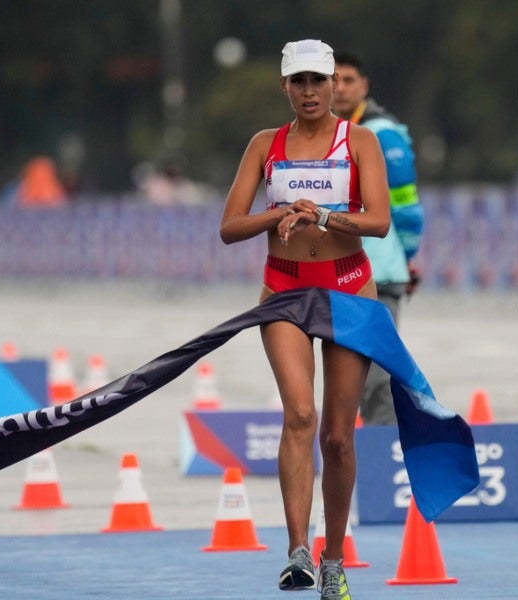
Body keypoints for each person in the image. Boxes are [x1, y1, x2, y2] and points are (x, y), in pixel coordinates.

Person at [219, 39, 390, 600]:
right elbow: (231, 226)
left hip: (347, 289)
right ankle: (298, 552)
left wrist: (326, 216)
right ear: (285, 87)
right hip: (285, 290)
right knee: (299, 414)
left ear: (334, 86)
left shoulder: (359, 141)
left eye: (321, 81)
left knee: (339, 436)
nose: (312, 92)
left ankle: (334, 559)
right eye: (301, 82)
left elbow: (381, 222)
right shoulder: (264, 144)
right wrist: (282, 211)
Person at [332, 52, 424, 425]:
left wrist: (407, 257)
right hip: (334, 270)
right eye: (331, 79)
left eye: (348, 80)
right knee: (347, 379)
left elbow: (405, 204)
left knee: (375, 379)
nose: (338, 88)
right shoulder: (325, 132)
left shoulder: (382, 132)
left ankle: (384, 461)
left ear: (364, 86)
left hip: (378, 270)